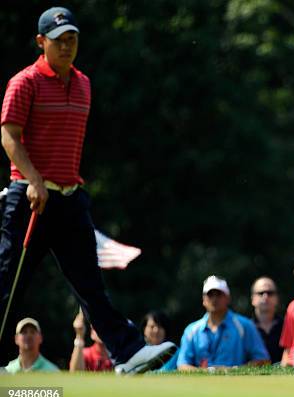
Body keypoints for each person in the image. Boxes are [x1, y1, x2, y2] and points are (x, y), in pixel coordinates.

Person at [0, 7, 175, 372]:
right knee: (6, 284)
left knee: (90, 285)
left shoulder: (83, 84)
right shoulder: (24, 82)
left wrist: (65, 186)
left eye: (72, 40)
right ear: (40, 42)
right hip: (29, 200)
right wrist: (33, 180)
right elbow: (9, 136)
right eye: (58, 41)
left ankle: (126, 354)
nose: (66, 47)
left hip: (68, 199)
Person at [177, 276, 270, 370]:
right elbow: (182, 365)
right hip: (200, 384)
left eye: (219, 294)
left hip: (236, 383)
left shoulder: (245, 326)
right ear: (204, 300)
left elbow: (263, 360)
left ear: (228, 298)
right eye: (210, 295)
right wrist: (206, 373)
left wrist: (233, 370)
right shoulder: (191, 331)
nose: (214, 299)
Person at [251, 276, 284, 363]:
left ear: (277, 299)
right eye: (261, 293)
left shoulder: (287, 326)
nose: (265, 296)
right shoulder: (245, 329)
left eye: (270, 293)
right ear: (253, 299)